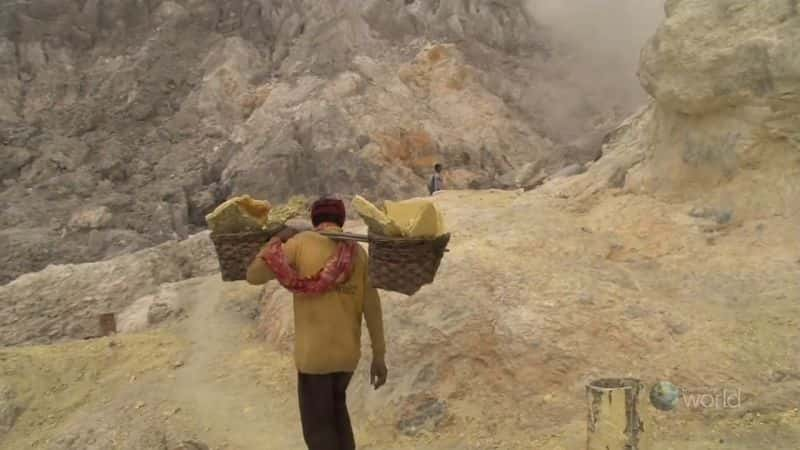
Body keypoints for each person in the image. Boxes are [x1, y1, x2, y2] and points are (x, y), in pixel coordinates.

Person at [246, 197, 387, 450]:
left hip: (314, 358)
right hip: (346, 357)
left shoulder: (299, 244)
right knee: (338, 416)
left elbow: (253, 275)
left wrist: (276, 240)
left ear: (315, 219)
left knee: (319, 430)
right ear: (341, 220)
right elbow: (373, 307)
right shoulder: (358, 253)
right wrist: (379, 355)